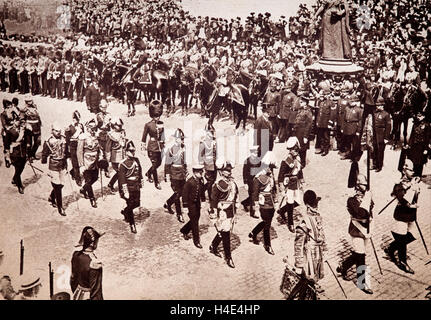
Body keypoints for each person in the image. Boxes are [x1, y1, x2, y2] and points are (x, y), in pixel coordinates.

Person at [336, 174, 374, 295]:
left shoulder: (367, 196)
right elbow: (361, 213)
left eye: (366, 183)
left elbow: (370, 209)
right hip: (356, 231)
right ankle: (362, 283)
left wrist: (368, 199)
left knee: (359, 254)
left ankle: (343, 266)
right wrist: (367, 199)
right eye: (363, 183)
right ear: (357, 184)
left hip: (366, 229)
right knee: (361, 256)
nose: (366, 185)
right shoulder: (352, 199)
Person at [384, 160, 420, 274]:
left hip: (411, 214)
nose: (412, 172)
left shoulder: (413, 182)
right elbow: (402, 197)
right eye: (410, 169)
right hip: (402, 214)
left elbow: (414, 197)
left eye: (413, 170)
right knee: (403, 238)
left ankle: (391, 248)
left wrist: (416, 190)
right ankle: (402, 262)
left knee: (413, 235)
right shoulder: (399, 184)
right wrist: (411, 186)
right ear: (404, 170)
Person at [208, 161, 238, 268]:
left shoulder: (232, 183)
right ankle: (228, 256)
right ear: (221, 172)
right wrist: (213, 214)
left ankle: (213, 245)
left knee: (223, 231)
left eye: (230, 170)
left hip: (230, 210)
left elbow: (235, 197)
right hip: (222, 212)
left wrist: (235, 211)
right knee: (226, 233)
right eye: (226, 170)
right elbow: (213, 201)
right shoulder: (217, 185)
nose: (229, 172)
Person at [248, 161, 277, 255]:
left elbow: (273, 189)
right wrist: (255, 207)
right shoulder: (258, 179)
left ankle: (254, 233)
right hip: (263, 202)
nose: (270, 169)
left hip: (271, 202)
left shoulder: (270, 176)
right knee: (267, 224)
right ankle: (268, 245)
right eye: (269, 167)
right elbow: (255, 194)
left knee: (267, 221)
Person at [277, 137, 303, 232]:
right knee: (290, 202)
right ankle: (290, 223)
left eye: (295, 149)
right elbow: (281, 174)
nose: (294, 151)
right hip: (288, 183)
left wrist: (301, 179)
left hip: (296, 182)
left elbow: (299, 170)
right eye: (292, 150)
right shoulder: (287, 160)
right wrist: (280, 185)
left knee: (298, 202)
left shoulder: (298, 158)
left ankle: (282, 210)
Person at [70, 226, 104, 300]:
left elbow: (73, 279)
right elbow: (96, 293)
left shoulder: (76, 255)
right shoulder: (95, 264)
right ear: (92, 243)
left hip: (77, 295)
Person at [41, 123, 67, 216]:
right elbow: (44, 155)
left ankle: (52, 196)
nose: (58, 132)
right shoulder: (48, 141)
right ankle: (60, 207)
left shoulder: (63, 139)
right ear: (52, 131)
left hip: (62, 164)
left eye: (59, 131)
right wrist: (46, 169)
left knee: (62, 184)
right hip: (53, 165)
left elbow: (66, 151)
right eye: (56, 131)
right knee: (57, 185)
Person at [118, 140, 143, 234]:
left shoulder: (136, 160)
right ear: (126, 151)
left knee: (137, 204)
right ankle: (132, 225)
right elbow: (122, 179)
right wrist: (125, 191)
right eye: (130, 150)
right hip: (128, 187)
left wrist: (141, 180)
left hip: (136, 186)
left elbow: (139, 170)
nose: (132, 152)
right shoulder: (123, 164)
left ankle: (125, 212)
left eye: (133, 150)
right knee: (130, 204)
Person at [180, 164, 206, 248]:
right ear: (194, 172)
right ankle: (196, 241)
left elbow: (201, 191)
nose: (201, 173)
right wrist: (185, 206)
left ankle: (184, 230)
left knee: (195, 218)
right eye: (199, 172)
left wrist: (203, 200)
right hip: (190, 205)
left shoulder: (201, 180)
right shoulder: (189, 182)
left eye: (201, 172)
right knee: (195, 222)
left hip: (197, 204)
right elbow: (184, 194)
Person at [164, 128, 187, 223]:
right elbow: (167, 163)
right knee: (177, 194)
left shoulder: (183, 147)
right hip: (174, 174)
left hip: (182, 173)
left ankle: (168, 203)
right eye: (180, 138)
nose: (182, 140)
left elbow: (184, 161)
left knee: (181, 192)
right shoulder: (171, 149)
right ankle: (179, 214)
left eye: (182, 138)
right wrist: (167, 175)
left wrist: (186, 171)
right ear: (176, 139)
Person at [141, 100, 164, 190]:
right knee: (154, 166)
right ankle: (156, 182)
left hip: (159, 147)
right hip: (151, 147)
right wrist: (143, 149)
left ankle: (148, 173)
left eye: (158, 116)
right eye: (155, 116)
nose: (157, 118)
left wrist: (163, 144)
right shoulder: (148, 125)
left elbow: (162, 135)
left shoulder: (161, 124)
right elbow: (143, 137)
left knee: (159, 163)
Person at [77, 118, 100, 208]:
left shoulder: (96, 136)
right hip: (86, 162)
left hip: (95, 162)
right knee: (88, 180)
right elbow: (79, 152)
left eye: (94, 128)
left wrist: (101, 158)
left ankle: (83, 189)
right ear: (87, 127)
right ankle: (92, 198)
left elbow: (98, 149)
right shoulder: (82, 137)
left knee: (95, 178)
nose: (93, 130)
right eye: (91, 128)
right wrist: (81, 165)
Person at [8, 111, 29, 194]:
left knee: (22, 167)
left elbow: (27, 138)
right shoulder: (10, 131)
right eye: (16, 120)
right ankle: (19, 185)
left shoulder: (23, 129)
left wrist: (27, 144)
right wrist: (7, 157)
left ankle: (14, 178)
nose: (18, 122)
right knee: (18, 168)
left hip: (23, 152)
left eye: (19, 120)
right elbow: (7, 144)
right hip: (15, 153)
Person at [406, 111, 430, 178]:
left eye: (420, 116)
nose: (418, 117)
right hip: (414, 145)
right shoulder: (415, 124)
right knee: (414, 159)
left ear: (423, 117)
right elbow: (412, 135)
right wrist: (409, 144)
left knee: (420, 161)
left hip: (422, 146)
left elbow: (427, 138)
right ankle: (415, 172)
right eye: (417, 116)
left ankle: (419, 174)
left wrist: (426, 148)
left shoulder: (426, 125)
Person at [106, 117, 126, 192]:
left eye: (121, 125)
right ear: (114, 125)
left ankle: (111, 184)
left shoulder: (122, 132)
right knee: (120, 172)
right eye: (118, 125)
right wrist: (108, 159)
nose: (120, 127)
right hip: (115, 157)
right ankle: (117, 187)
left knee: (121, 172)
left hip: (122, 155)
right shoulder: (111, 135)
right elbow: (108, 148)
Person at [198, 123, 217, 202]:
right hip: (208, 164)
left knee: (213, 180)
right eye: (210, 132)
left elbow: (216, 153)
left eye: (212, 132)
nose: (211, 133)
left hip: (214, 164)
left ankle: (201, 191)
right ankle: (210, 197)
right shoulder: (203, 142)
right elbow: (200, 154)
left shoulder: (214, 141)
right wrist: (201, 164)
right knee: (210, 182)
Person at [240, 145, 261, 218]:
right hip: (250, 181)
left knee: (254, 195)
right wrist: (245, 183)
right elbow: (244, 173)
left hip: (257, 180)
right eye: (254, 153)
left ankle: (245, 203)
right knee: (252, 196)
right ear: (251, 153)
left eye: (256, 153)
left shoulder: (259, 160)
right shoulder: (247, 161)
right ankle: (253, 213)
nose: (255, 154)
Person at [65, 110, 84, 186]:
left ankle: (73, 172)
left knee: (80, 161)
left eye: (77, 119)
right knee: (75, 163)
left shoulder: (81, 126)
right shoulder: (69, 128)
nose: (76, 121)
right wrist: (68, 149)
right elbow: (67, 139)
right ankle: (78, 178)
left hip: (80, 145)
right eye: (75, 119)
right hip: (73, 146)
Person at [372, 97, 391, 172]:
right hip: (375, 133)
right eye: (377, 105)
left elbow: (388, 127)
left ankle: (379, 166)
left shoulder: (386, 114)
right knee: (375, 149)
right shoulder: (374, 113)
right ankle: (375, 163)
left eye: (379, 105)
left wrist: (386, 137)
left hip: (381, 134)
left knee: (380, 151)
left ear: (383, 105)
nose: (377, 106)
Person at [293, 96, 313, 168]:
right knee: (298, 147)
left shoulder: (308, 111)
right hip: (298, 132)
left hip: (303, 132)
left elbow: (309, 125)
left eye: (301, 102)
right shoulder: (300, 109)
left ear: (305, 103)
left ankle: (302, 163)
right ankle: (298, 162)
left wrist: (306, 136)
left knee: (303, 149)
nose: (300, 103)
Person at [22, 95, 42, 161]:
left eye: (31, 101)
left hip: (36, 126)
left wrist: (40, 123)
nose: (31, 102)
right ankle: (29, 156)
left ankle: (33, 154)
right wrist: (26, 125)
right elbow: (22, 120)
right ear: (26, 102)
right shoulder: (24, 109)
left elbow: (38, 116)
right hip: (29, 127)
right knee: (29, 143)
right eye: (29, 101)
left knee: (37, 142)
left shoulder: (35, 106)